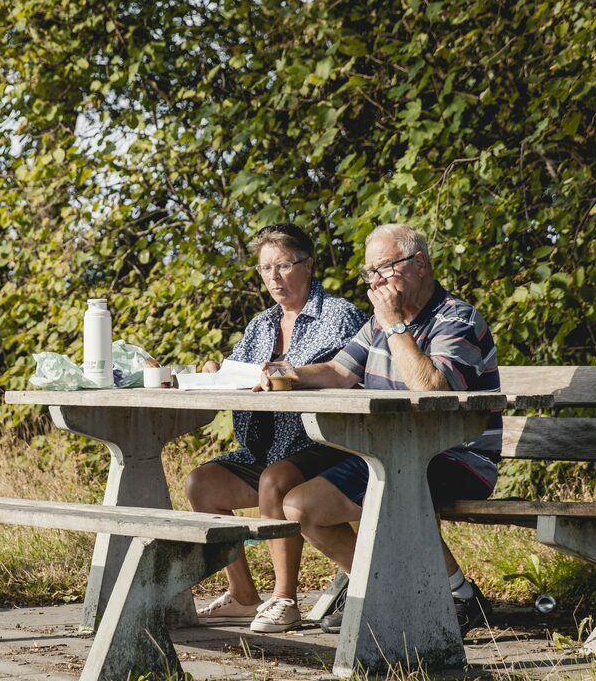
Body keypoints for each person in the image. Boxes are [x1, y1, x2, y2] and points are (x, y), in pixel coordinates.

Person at [260, 223, 501, 633]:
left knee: (396, 489)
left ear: (420, 264)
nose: (375, 282)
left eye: (385, 268)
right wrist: (286, 372)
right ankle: (389, 590)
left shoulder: (455, 319)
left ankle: (457, 596)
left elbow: (431, 388)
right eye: (370, 272)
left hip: (457, 456)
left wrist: (394, 326)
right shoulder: (379, 324)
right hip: (393, 451)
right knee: (301, 508)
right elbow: (338, 371)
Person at [185, 223, 366, 633]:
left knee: (274, 480)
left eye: (283, 265)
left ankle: (284, 599)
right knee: (202, 485)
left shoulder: (339, 315)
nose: (273, 278)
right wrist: (216, 370)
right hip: (264, 446)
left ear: (309, 264)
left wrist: (285, 372)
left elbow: (348, 373)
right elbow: (239, 371)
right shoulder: (261, 324)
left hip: (326, 443)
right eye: (265, 269)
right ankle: (245, 596)